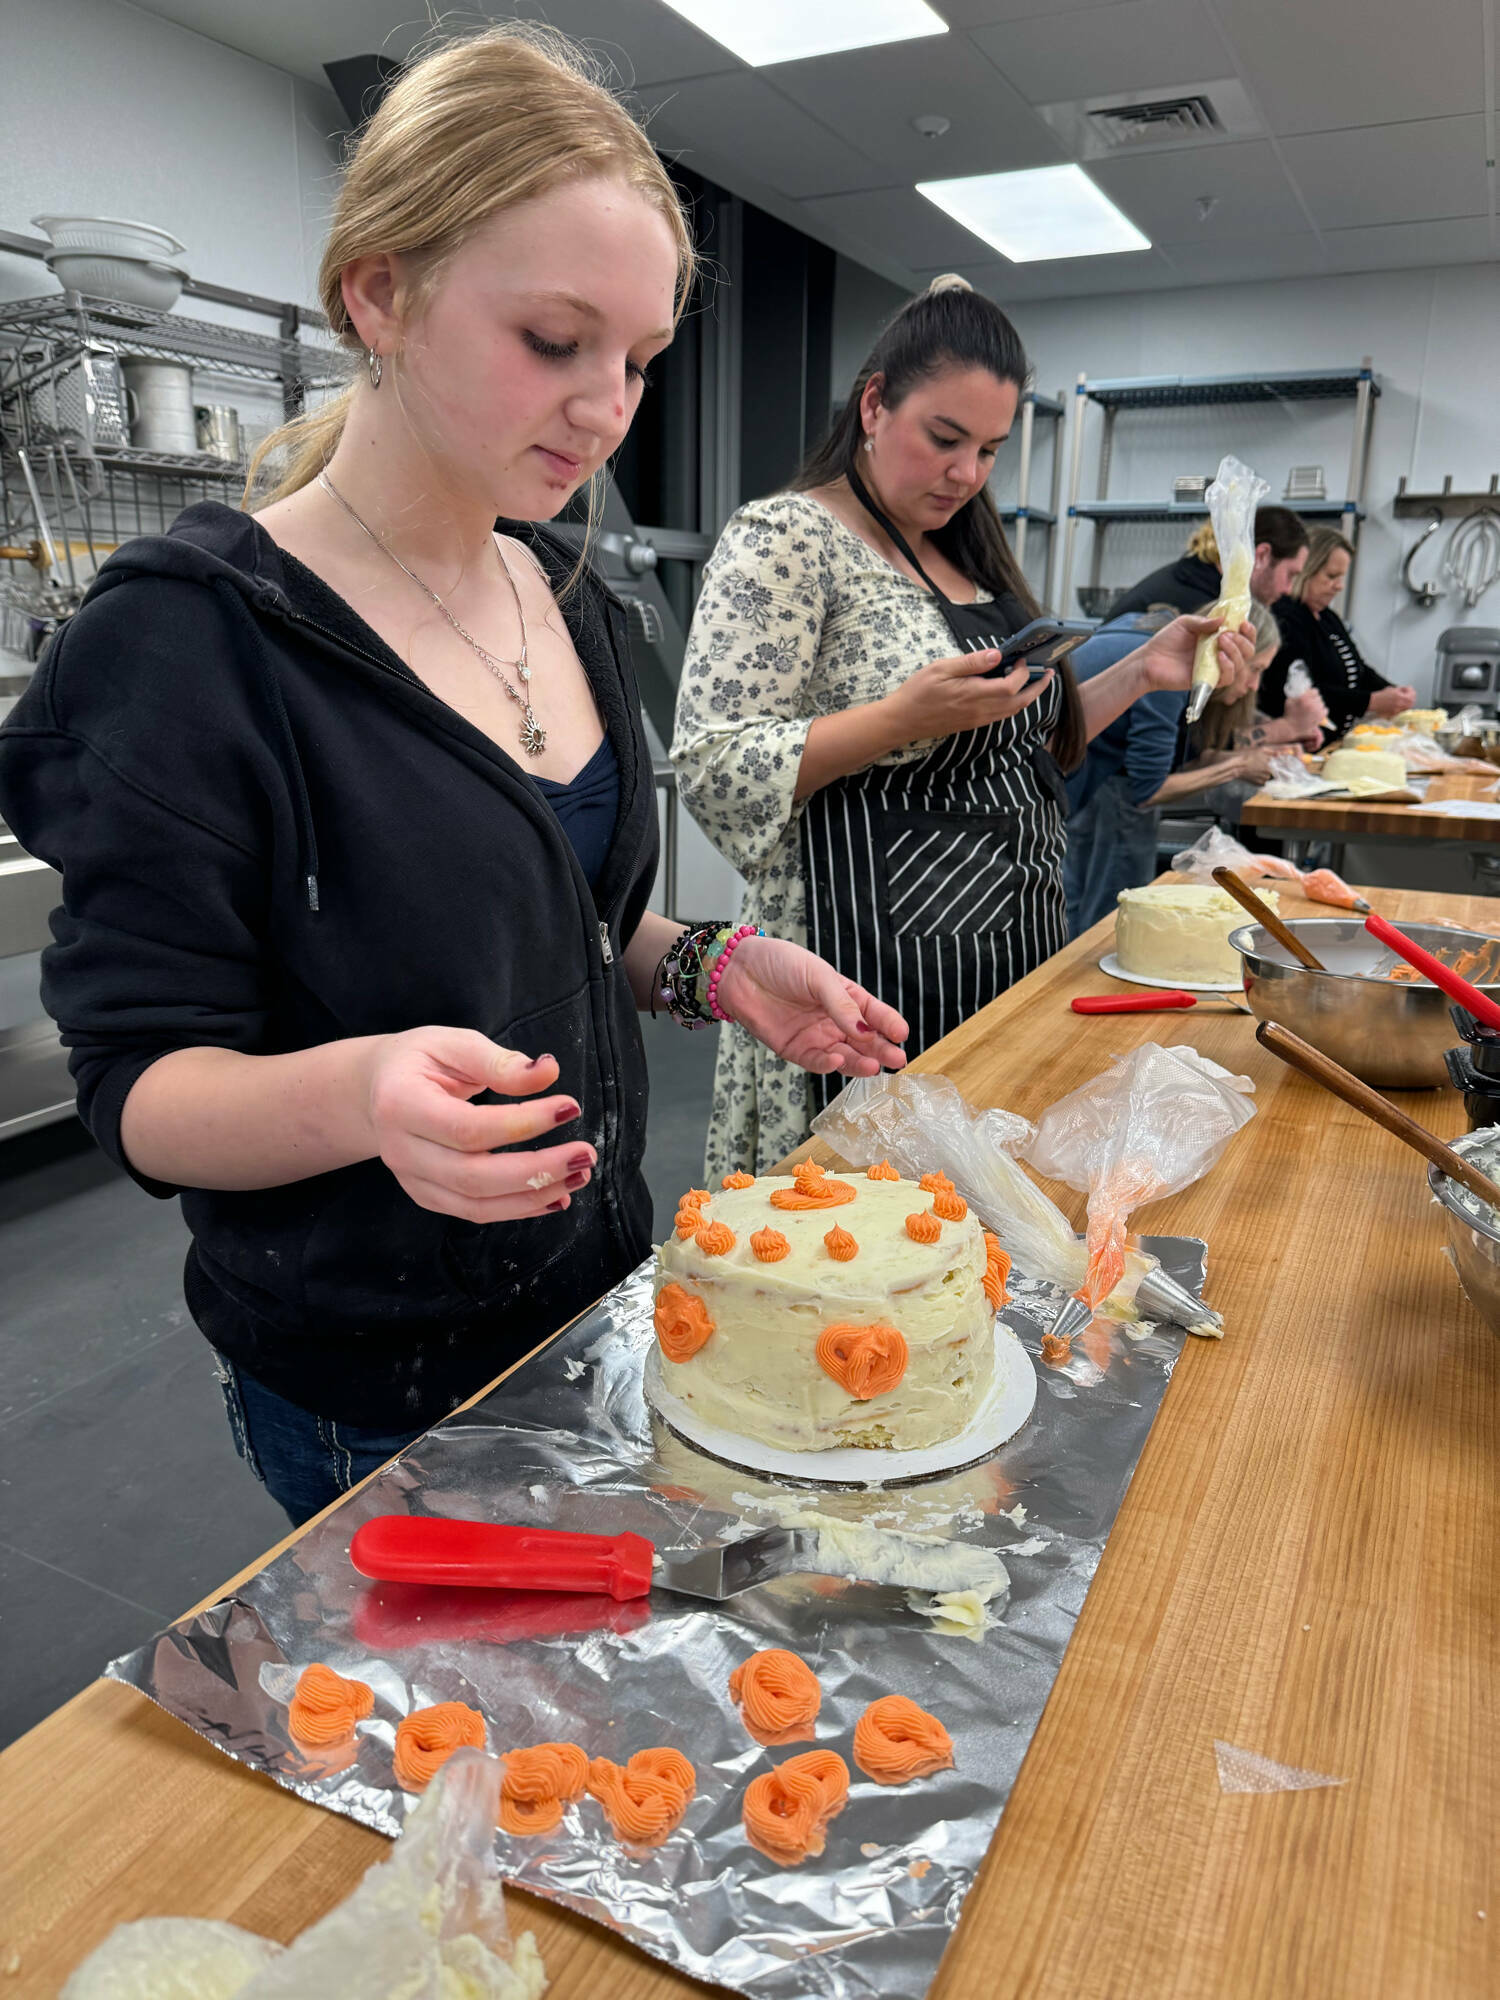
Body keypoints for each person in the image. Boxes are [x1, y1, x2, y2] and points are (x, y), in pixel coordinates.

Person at [0, 27, 908, 1527]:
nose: (607, 407)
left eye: (638, 360)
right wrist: (364, 1095)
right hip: (376, 1378)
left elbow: (556, 922)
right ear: (380, 294)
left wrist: (713, 966)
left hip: (593, 1297)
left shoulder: (569, 597)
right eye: (554, 341)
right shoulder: (191, 647)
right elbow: (140, 1085)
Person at [671, 277, 1254, 1177]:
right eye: (944, 439)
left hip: (1006, 947)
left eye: (988, 450)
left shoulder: (969, 559)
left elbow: (1025, 749)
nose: (967, 475)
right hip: (865, 971)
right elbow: (715, 763)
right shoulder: (787, 539)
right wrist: (897, 719)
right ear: (874, 405)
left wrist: (1145, 670)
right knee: (870, 1228)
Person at [1063, 600, 1305, 933]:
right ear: (1231, 652)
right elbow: (1147, 790)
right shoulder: (1167, 672)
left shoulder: (1151, 634)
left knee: (1077, 913)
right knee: (1112, 921)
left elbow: (1180, 759)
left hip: (1078, 776)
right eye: (1256, 669)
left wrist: (1242, 758)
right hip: (1081, 782)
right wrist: (1237, 766)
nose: (1254, 685)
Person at [1259, 527, 1416, 741]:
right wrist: (1370, 702)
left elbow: (1359, 669)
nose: (1339, 586)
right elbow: (1301, 691)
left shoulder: (1327, 617)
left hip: (1333, 742)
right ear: (1305, 570)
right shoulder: (1286, 618)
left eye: (1342, 577)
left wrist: (1393, 692)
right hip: (1299, 743)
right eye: (1331, 576)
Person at [1106, 507, 1309, 619]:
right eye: (1290, 574)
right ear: (1262, 555)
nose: (1289, 589)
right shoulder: (1201, 608)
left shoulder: (1197, 577)